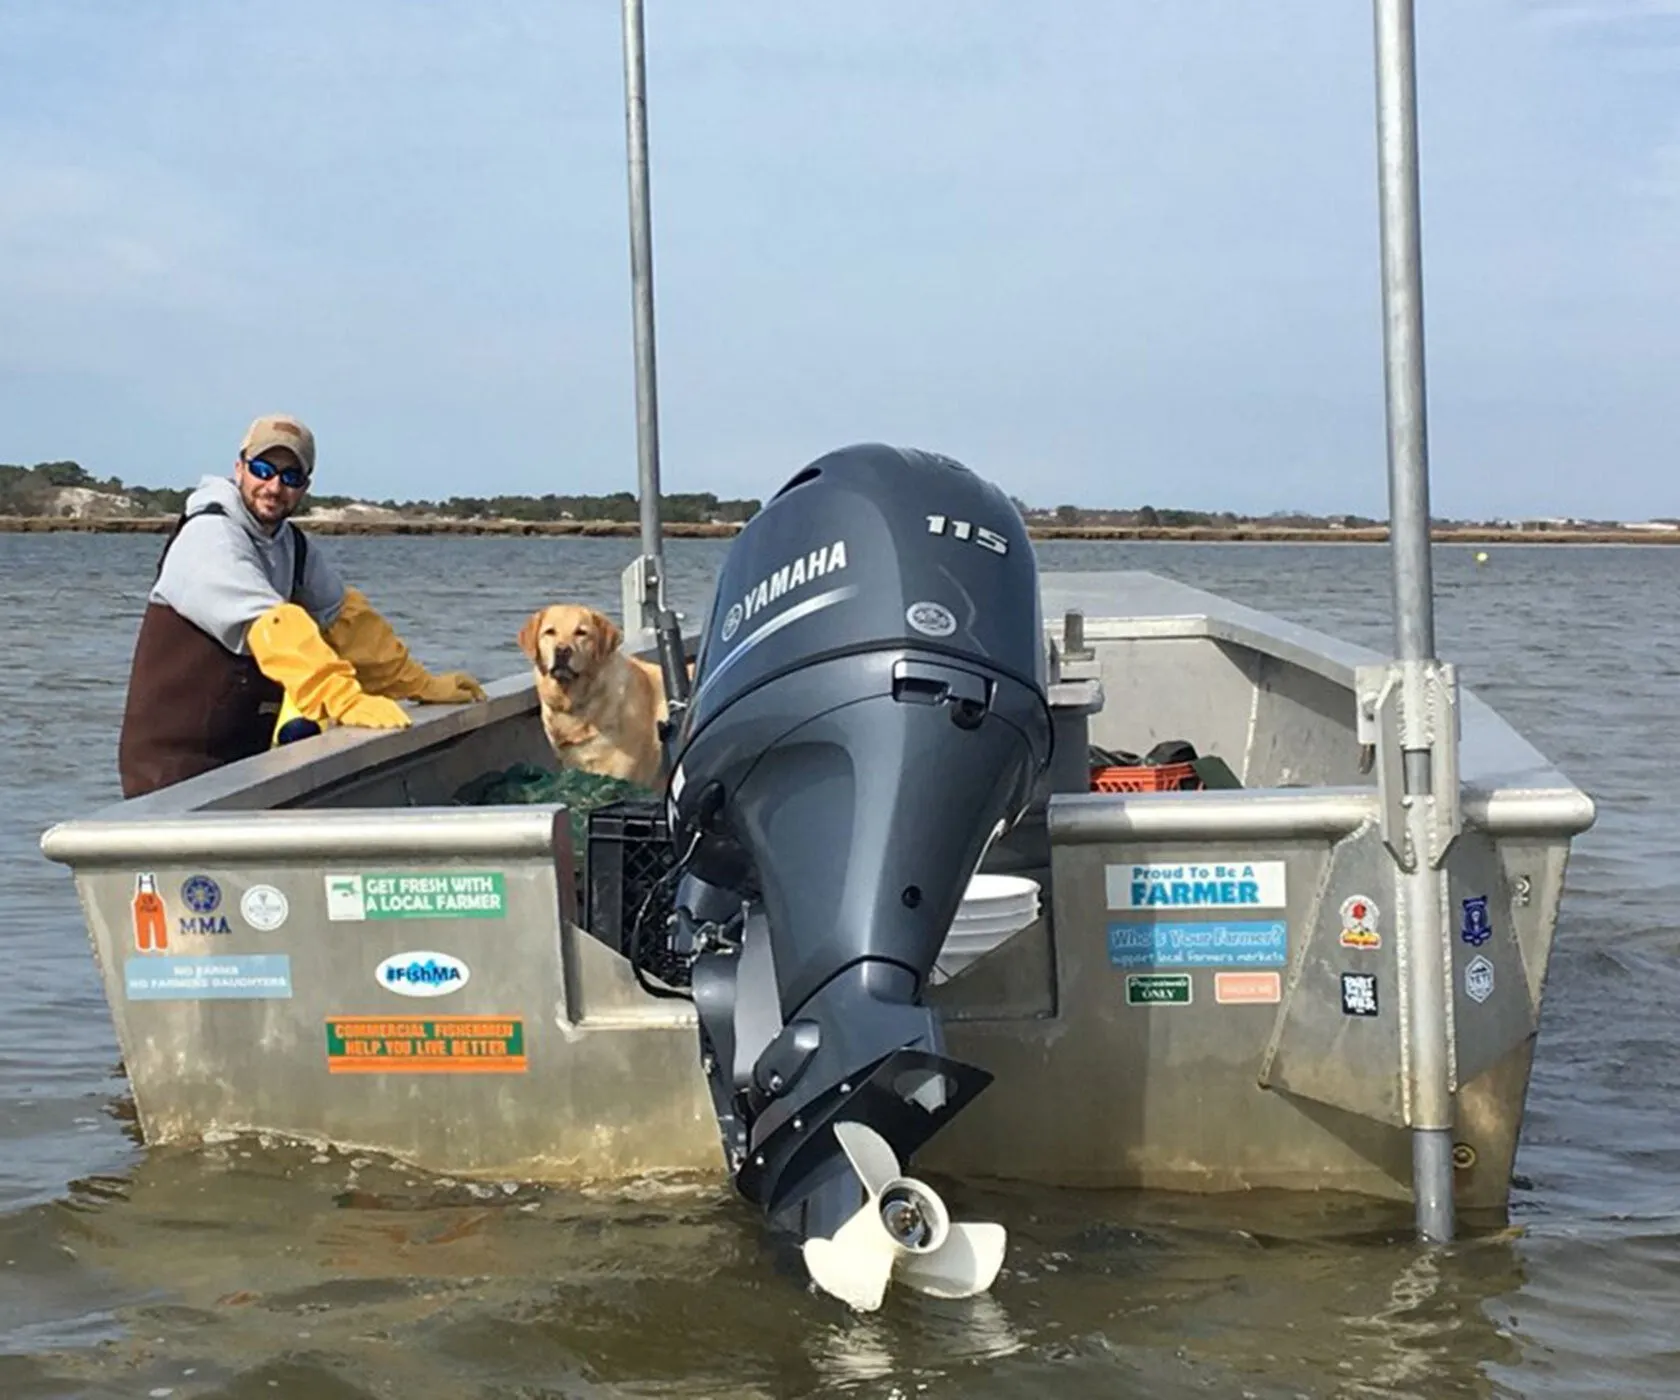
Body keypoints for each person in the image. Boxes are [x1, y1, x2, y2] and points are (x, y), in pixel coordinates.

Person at [117, 414, 487, 799]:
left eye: (290, 477)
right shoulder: (210, 538)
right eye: (263, 470)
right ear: (239, 468)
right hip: (170, 774)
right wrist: (342, 698)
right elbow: (274, 628)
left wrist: (419, 684)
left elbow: (347, 622)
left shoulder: (292, 546)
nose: (274, 487)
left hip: (243, 764)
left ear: (305, 486)